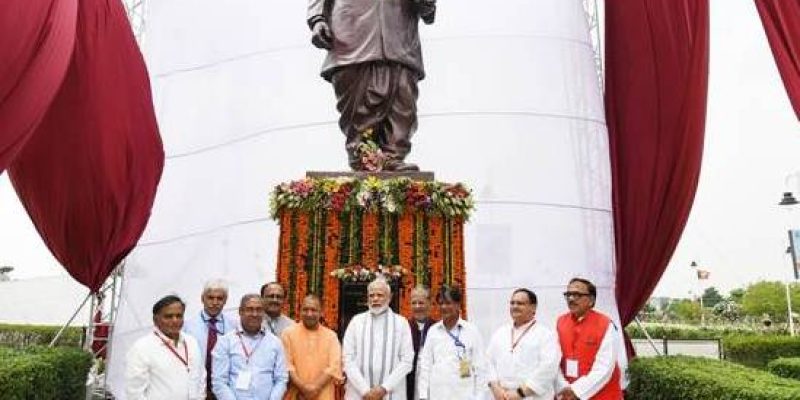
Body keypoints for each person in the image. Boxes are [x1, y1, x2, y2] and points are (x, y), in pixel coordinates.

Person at [306, 0, 437, 171]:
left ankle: (393, 155)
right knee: (359, 103)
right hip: (352, 32)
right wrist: (317, 18)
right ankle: (362, 155)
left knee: (403, 101)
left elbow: (426, 8)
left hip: (399, 31)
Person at [342, 278, 414, 400]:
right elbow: (347, 359)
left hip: (391, 393)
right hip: (359, 393)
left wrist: (384, 388)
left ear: (389, 298)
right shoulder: (356, 322)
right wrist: (365, 390)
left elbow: (407, 361)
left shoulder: (401, 323)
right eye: (371, 295)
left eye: (380, 295)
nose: (375, 299)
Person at [485, 289, 560, 400]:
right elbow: (488, 362)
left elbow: (548, 368)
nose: (515, 306)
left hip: (530, 396)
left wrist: (520, 393)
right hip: (501, 396)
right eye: (512, 303)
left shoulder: (545, 335)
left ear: (533, 307)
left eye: (520, 303)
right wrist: (495, 388)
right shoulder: (500, 332)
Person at [126, 295, 205, 400]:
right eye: (168, 316)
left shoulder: (192, 342)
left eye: (179, 316)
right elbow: (134, 393)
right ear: (155, 320)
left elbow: (201, 376)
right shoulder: (142, 348)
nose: (175, 320)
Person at [212, 294, 288, 400]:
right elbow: (219, 381)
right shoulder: (225, 342)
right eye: (249, 309)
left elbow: (281, 379)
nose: (254, 314)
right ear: (240, 312)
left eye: (259, 310)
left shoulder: (275, 343)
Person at [556, 278, 622, 400]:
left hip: (601, 395)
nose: (571, 299)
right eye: (568, 294)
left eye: (577, 295)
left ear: (591, 300)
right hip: (566, 393)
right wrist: (563, 387)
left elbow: (604, 368)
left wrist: (576, 391)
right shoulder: (560, 322)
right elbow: (555, 359)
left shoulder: (606, 324)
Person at [417, 285, 487, 399]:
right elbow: (425, 367)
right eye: (441, 303)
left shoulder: (472, 331)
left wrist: (480, 397)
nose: (443, 307)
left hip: (464, 396)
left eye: (448, 303)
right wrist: (423, 396)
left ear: (458, 305)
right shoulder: (433, 331)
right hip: (438, 395)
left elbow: (481, 368)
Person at [184, 279, 240, 399]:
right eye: (210, 297)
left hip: (226, 387)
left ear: (225, 300)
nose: (215, 302)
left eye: (219, 298)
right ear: (202, 298)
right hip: (197, 386)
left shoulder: (234, 326)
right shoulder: (188, 326)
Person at [281, 295, 343, 400]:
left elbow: (334, 366)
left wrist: (315, 388)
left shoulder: (331, 336)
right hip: (296, 394)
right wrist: (303, 388)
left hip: (323, 394)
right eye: (305, 310)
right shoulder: (288, 334)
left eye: (314, 310)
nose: (309, 314)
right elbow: (286, 365)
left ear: (321, 312)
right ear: (300, 311)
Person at [406, 286, 436, 400]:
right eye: (414, 303)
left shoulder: (438, 329)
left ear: (429, 303)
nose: (417, 307)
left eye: (421, 303)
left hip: (431, 384)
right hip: (409, 384)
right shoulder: (404, 327)